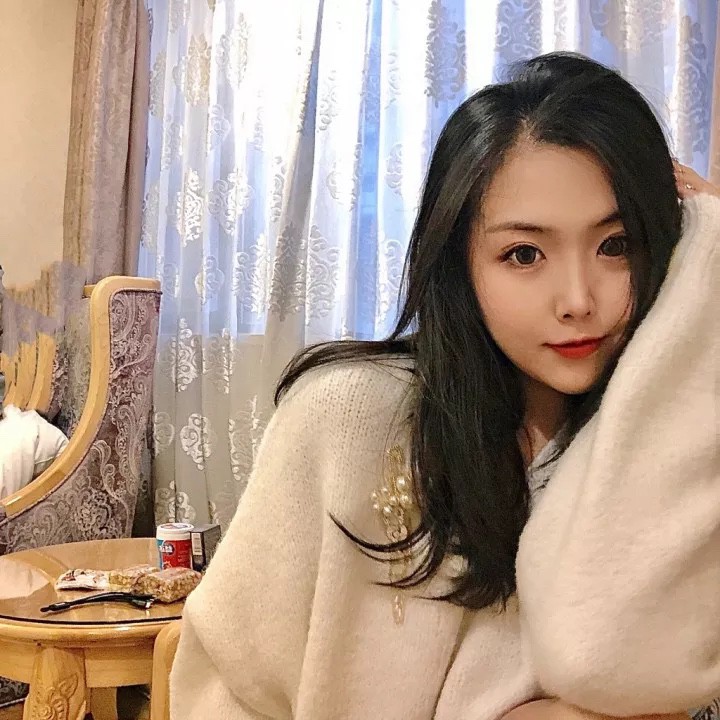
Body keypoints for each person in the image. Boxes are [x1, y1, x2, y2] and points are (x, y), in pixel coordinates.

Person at [169, 52, 719, 720]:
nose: (578, 300)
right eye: (524, 254)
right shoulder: (351, 417)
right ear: (462, 262)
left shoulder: (676, 451)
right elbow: (226, 689)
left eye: (617, 245)